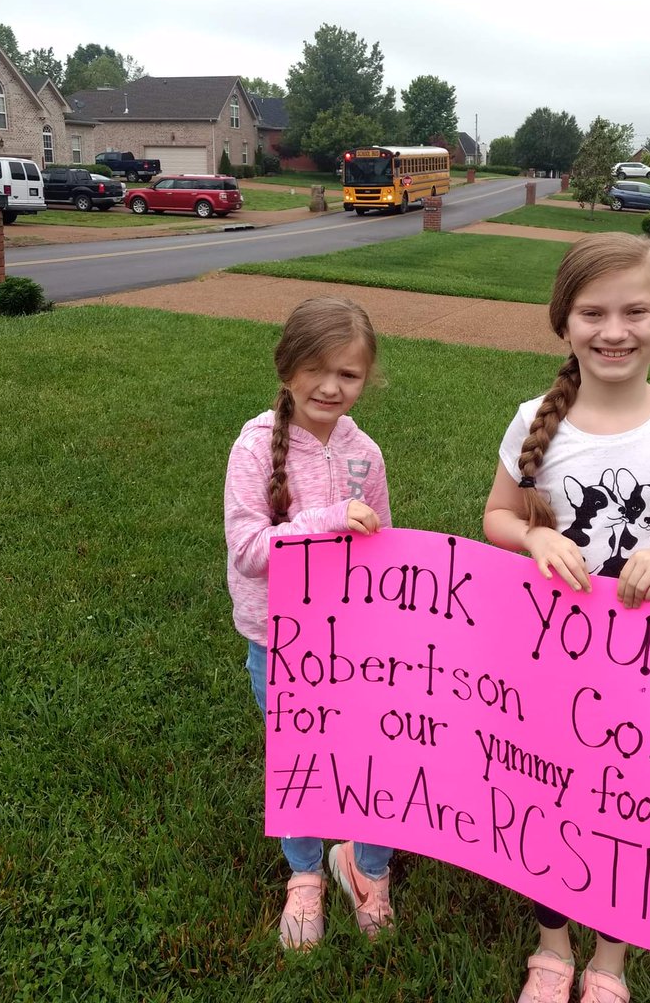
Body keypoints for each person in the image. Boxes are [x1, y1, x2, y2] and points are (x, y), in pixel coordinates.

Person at [482, 233, 650, 1003]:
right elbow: (497, 515)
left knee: (628, 806)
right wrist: (533, 534)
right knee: (548, 795)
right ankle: (553, 947)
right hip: (549, 655)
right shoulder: (536, 419)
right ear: (564, 323)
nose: (614, 329)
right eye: (592, 312)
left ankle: (610, 960)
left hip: (647, 658)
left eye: (636, 310)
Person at [224, 296, 395, 951]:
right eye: (317, 369)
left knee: (376, 758)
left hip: (353, 642)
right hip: (278, 642)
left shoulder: (366, 456)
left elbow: (384, 548)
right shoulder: (252, 447)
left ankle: (368, 866)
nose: (331, 386)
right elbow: (248, 549)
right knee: (299, 761)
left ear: (365, 379)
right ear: (287, 365)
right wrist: (324, 525)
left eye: (348, 375)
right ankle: (305, 875)